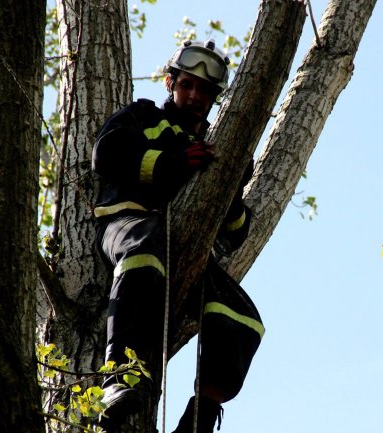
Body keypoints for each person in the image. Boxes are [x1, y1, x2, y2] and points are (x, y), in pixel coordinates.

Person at [92, 39, 263, 433]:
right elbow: (107, 155)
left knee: (243, 318)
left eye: (204, 90)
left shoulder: (221, 148)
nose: (194, 95)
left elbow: (236, 233)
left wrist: (229, 188)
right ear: (170, 82)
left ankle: (200, 419)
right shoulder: (143, 116)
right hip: (128, 223)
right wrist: (174, 163)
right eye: (187, 85)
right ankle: (119, 378)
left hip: (183, 244)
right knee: (143, 254)